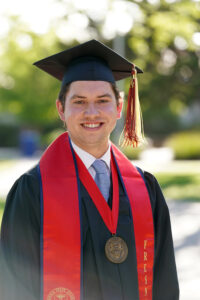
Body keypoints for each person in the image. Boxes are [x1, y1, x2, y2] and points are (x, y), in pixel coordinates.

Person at [0, 40, 179, 300]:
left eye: (102, 101)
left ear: (119, 108)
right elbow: (13, 286)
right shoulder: (32, 191)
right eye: (80, 102)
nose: (91, 112)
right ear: (61, 109)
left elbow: (165, 281)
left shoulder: (146, 187)